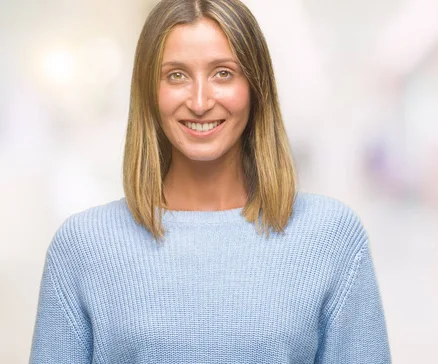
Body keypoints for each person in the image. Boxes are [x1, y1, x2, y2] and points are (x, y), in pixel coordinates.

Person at [29, 0, 391, 362]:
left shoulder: (332, 238)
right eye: (176, 75)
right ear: (148, 94)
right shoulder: (82, 248)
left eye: (223, 73)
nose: (200, 102)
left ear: (255, 87)